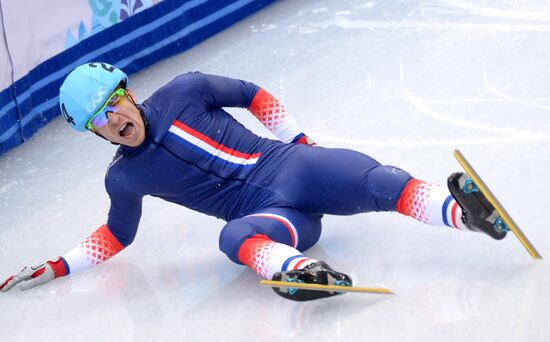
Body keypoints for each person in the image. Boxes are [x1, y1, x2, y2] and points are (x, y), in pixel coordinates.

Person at [0, 62, 507, 301]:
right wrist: (56, 267)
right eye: (98, 121)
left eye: (113, 104)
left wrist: (301, 141)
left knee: (380, 181)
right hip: (276, 218)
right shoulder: (124, 178)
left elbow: (252, 93)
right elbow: (117, 235)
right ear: (91, 131)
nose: (113, 120)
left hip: (294, 166)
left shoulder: (186, 90)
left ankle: (468, 215)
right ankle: (303, 273)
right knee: (232, 237)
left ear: (127, 92)